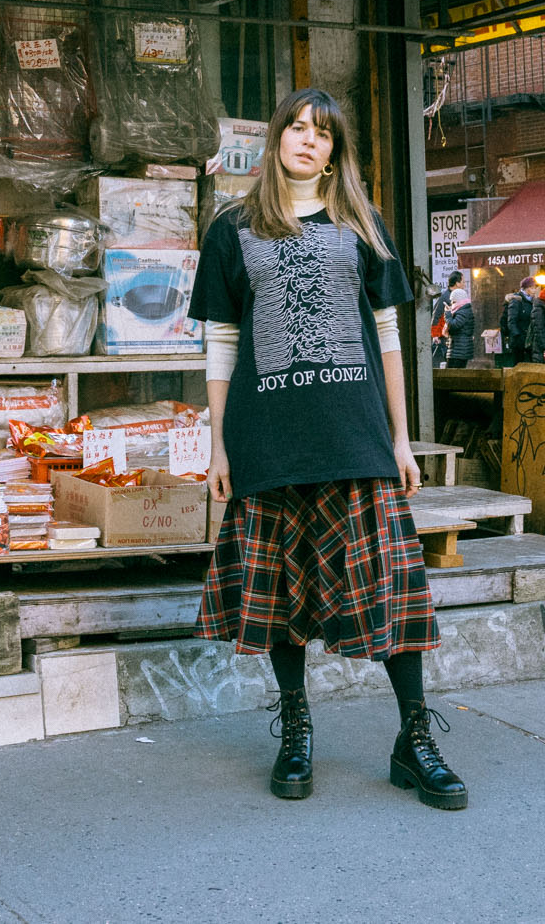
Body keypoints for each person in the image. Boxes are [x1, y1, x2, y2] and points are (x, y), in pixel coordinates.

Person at [192, 87, 465, 810]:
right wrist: (219, 445)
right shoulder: (232, 230)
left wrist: (402, 438)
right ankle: (295, 726)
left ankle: (414, 735)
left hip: (355, 435)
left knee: (391, 593)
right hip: (266, 437)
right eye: (297, 128)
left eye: (323, 133)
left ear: (336, 151)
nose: (308, 141)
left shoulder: (361, 225)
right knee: (281, 593)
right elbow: (220, 345)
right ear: (277, 137)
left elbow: (388, 338)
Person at [498, 277, 536, 366]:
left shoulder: (532, 301)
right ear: (526, 289)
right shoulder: (516, 301)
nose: (534, 290)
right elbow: (511, 321)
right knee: (519, 365)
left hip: (529, 339)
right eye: (532, 288)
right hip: (519, 341)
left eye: (535, 288)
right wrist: (518, 336)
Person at [442, 285, 476, 369]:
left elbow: (454, 325)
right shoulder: (463, 310)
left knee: (452, 375)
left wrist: (447, 314)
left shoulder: (463, 311)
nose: (452, 304)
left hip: (459, 351)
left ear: (458, 301)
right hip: (459, 349)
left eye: (453, 302)